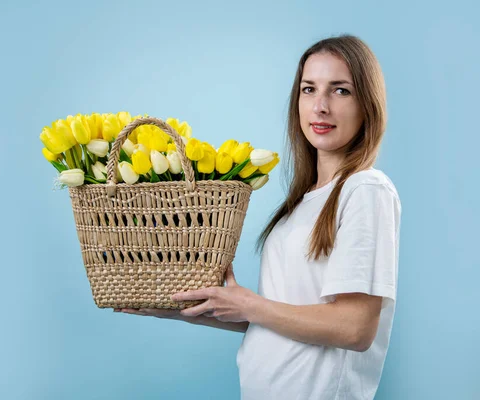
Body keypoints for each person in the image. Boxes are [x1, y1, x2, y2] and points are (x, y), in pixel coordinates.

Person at [116, 34, 401, 400]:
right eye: (309, 89)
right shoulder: (304, 202)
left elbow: (355, 328)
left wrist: (249, 303)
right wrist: (173, 309)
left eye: (341, 90)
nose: (320, 107)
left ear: (368, 103)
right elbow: (277, 318)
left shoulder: (366, 190)